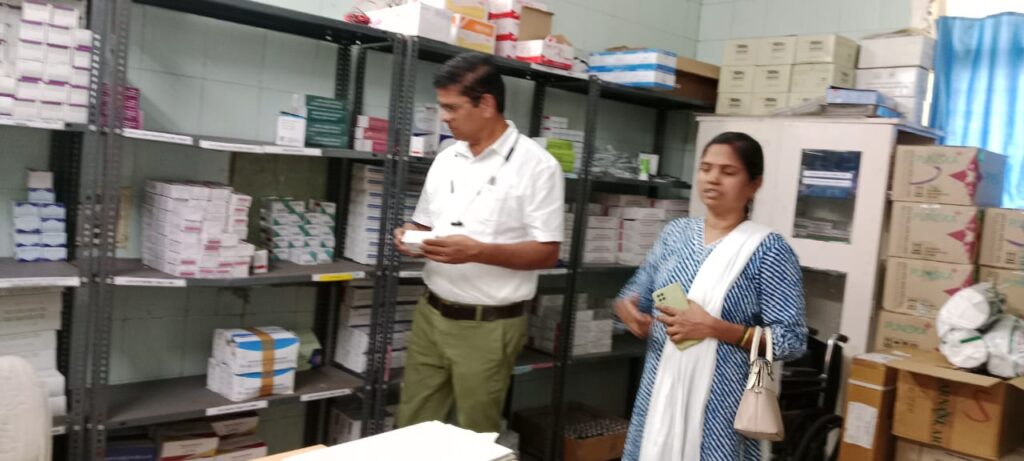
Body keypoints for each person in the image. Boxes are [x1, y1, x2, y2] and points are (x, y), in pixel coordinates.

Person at [392, 53, 565, 433]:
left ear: (486, 104)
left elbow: (548, 253)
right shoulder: (447, 158)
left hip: (488, 325)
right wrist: (409, 234)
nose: (444, 117)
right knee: (412, 427)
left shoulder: (538, 167)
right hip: (431, 315)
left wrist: (478, 251)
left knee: (475, 436)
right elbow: (423, 221)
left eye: (452, 107)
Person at [614, 132, 808, 460]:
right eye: (705, 168)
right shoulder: (676, 234)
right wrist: (628, 311)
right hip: (660, 392)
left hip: (720, 408)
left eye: (728, 172)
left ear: (754, 184)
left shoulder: (769, 250)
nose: (713, 178)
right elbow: (634, 294)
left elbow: (792, 340)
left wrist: (715, 328)